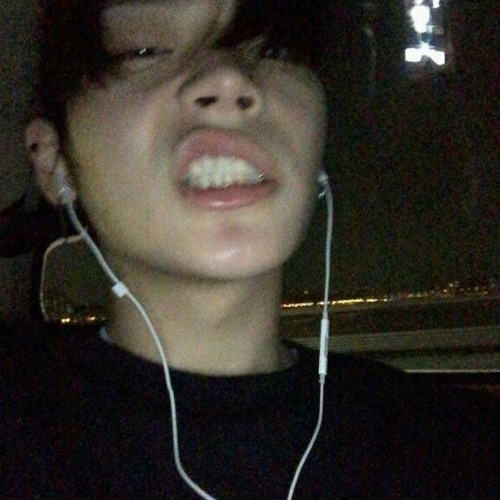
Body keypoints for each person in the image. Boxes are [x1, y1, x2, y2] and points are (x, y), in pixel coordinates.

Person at [0, 0, 498, 498]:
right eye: (145, 50)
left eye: (273, 51)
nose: (228, 78)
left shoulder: (459, 451)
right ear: (54, 160)